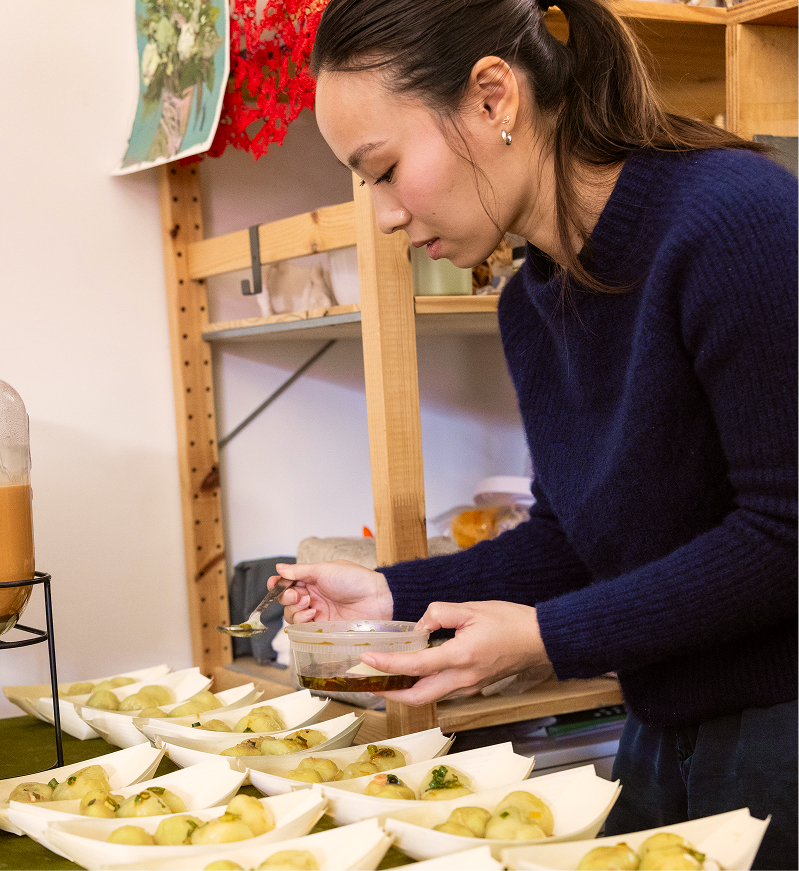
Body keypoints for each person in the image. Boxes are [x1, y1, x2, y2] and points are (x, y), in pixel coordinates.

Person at [270, 0, 799, 866]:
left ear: (491, 98)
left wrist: (547, 640)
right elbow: (577, 537)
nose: (384, 216)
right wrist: (392, 600)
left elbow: (784, 533)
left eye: (385, 168)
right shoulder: (531, 300)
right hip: (663, 730)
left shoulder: (735, 223)